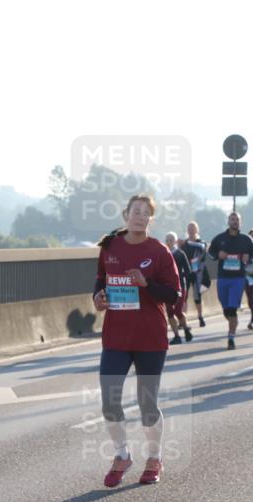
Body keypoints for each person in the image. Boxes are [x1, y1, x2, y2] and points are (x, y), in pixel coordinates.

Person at [93, 195, 181, 486]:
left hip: (150, 337)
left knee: (147, 403)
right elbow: (101, 279)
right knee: (109, 401)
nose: (140, 217)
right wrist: (98, 297)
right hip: (116, 336)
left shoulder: (159, 251)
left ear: (151, 219)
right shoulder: (110, 246)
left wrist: (146, 283)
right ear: (125, 214)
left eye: (146, 213)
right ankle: (122, 455)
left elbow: (174, 294)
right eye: (136, 211)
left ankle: (154, 457)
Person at [208, 211, 253, 350]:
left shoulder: (246, 239)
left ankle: (231, 338)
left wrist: (249, 258)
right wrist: (218, 255)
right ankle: (233, 323)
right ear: (228, 221)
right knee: (226, 310)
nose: (235, 221)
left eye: (237, 220)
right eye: (232, 219)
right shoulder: (220, 238)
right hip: (223, 278)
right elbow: (210, 253)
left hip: (238, 278)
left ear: (240, 223)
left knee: (232, 309)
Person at [165, 231, 193, 344]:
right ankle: (176, 336)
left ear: (175, 241)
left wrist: (180, 278)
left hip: (180, 286)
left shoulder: (180, 254)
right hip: (167, 287)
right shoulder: (163, 253)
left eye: (171, 240)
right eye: (167, 240)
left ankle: (186, 328)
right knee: (170, 312)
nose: (169, 242)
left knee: (177, 311)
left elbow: (188, 270)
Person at [180, 222, 209, 327]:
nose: (191, 230)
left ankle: (200, 317)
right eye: (189, 228)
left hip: (198, 273)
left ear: (197, 230)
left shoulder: (201, 243)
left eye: (193, 228)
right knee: (184, 296)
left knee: (197, 296)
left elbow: (203, 248)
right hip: (186, 273)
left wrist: (186, 243)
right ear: (187, 230)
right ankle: (183, 321)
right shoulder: (184, 244)